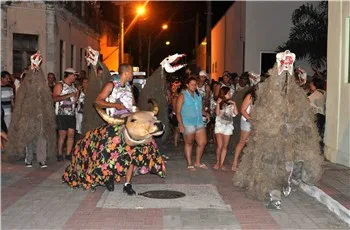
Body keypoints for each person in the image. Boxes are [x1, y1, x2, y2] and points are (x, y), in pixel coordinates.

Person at [176, 76, 209, 171]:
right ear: (187, 85)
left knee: (202, 142)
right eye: (192, 84)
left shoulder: (197, 95)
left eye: (195, 84)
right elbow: (178, 112)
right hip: (187, 123)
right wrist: (181, 125)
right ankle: (190, 163)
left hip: (199, 122)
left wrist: (205, 113)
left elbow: (199, 109)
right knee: (189, 143)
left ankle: (198, 162)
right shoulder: (182, 95)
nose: (194, 86)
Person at [53, 68, 79, 162]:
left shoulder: (74, 86)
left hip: (72, 113)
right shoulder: (60, 85)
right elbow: (55, 98)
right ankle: (59, 153)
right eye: (74, 75)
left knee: (71, 134)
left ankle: (68, 153)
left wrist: (77, 95)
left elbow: (75, 101)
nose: (75, 77)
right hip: (62, 114)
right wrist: (68, 96)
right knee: (62, 134)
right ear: (69, 75)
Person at [232, 86, 256, 171]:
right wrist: (251, 119)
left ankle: (247, 164)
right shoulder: (250, 96)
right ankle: (234, 163)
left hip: (255, 122)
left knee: (252, 143)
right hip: (247, 121)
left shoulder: (263, 96)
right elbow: (242, 110)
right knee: (242, 142)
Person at [213, 87, 238, 171]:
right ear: (224, 94)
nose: (230, 94)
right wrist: (217, 104)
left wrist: (234, 104)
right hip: (219, 125)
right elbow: (217, 113)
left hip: (228, 126)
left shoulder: (231, 103)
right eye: (228, 93)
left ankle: (222, 163)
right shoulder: (219, 102)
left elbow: (236, 113)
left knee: (224, 146)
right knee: (220, 146)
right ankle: (217, 162)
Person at [308, 77, 326, 153]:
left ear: (315, 85)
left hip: (317, 115)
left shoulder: (317, 93)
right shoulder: (323, 92)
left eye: (311, 84)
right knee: (319, 133)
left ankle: (315, 151)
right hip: (322, 115)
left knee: (315, 134)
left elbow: (306, 100)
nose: (309, 85)